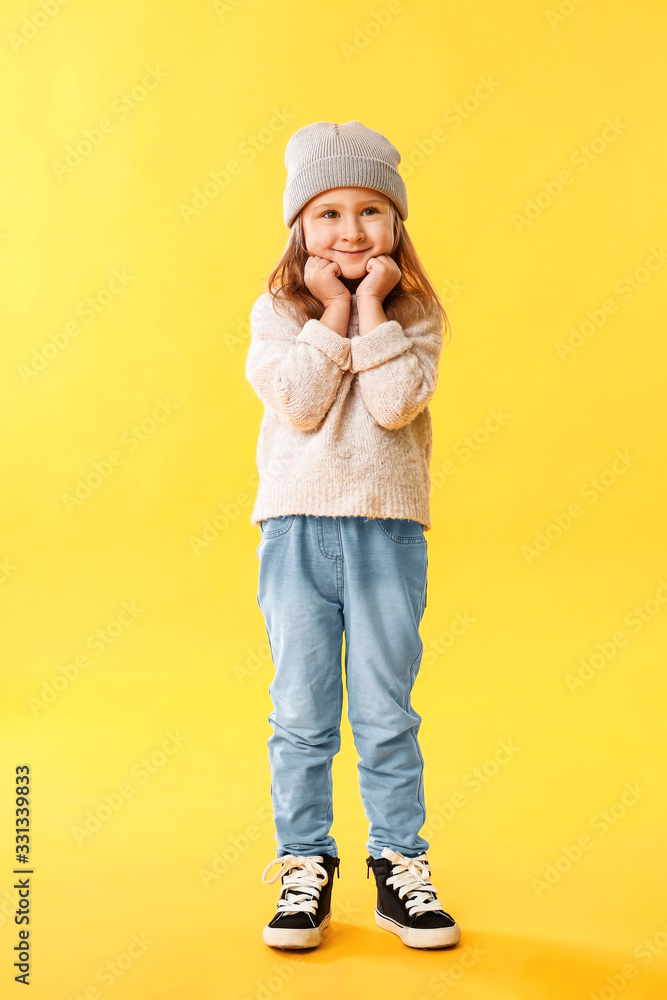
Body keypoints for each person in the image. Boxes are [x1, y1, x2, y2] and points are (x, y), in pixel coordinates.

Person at [246, 120, 461, 951]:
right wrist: (331, 311)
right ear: (300, 226)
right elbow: (298, 404)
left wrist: (370, 304)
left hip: (386, 531)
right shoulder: (275, 312)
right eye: (328, 212)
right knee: (301, 711)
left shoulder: (415, 311)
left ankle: (399, 864)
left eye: (370, 210)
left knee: (384, 711)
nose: (350, 229)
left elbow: (393, 403)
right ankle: (304, 868)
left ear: (396, 225)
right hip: (296, 531)